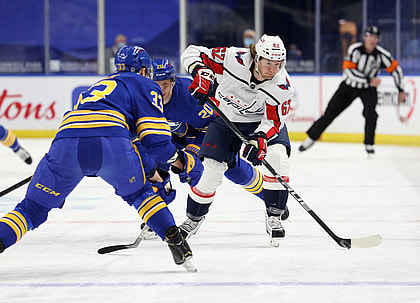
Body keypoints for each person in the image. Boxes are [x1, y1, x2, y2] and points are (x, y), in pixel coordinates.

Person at [0, 45, 203, 270]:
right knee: (140, 194)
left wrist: (152, 172)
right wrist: (182, 162)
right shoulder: (145, 84)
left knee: (31, 209)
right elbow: (155, 141)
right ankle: (175, 240)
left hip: (66, 142)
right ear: (144, 71)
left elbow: (124, 141)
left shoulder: (96, 86)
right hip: (112, 141)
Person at [140, 58, 274, 240]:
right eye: (155, 85)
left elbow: (214, 124)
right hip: (170, 136)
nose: (161, 90)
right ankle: (157, 218)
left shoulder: (189, 96)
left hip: (201, 133)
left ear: (173, 81)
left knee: (227, 165)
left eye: (165, 84)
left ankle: (269, 195)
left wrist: (193, 151)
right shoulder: (141, 98)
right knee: (154, 165)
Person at [180, 34, 294, 247]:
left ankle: (274, 216)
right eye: (268, 62)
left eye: (277, 64)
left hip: (260, 123)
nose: (272, 68)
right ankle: (193, 219)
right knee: (212, 171)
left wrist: (260, 138)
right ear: (257, 57)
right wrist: (201, 71)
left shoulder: (282, 87)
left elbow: (273, 122)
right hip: (226, 118)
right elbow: (192, 52)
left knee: (278, 158)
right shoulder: (233, 58)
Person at [299, 26, 406, 155]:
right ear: (364, 38)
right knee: (330, 113)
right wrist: (369, 79)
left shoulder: (382, 55)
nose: (372, 40)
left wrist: (400, 89)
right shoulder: (354, 50)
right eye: (369, 36)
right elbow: (348, 71)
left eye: (375, 37)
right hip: (349, 87)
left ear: (378, 39)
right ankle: (310, 139)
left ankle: (369, 144)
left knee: (371, 114)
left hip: (368, 90)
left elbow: (396, 70)